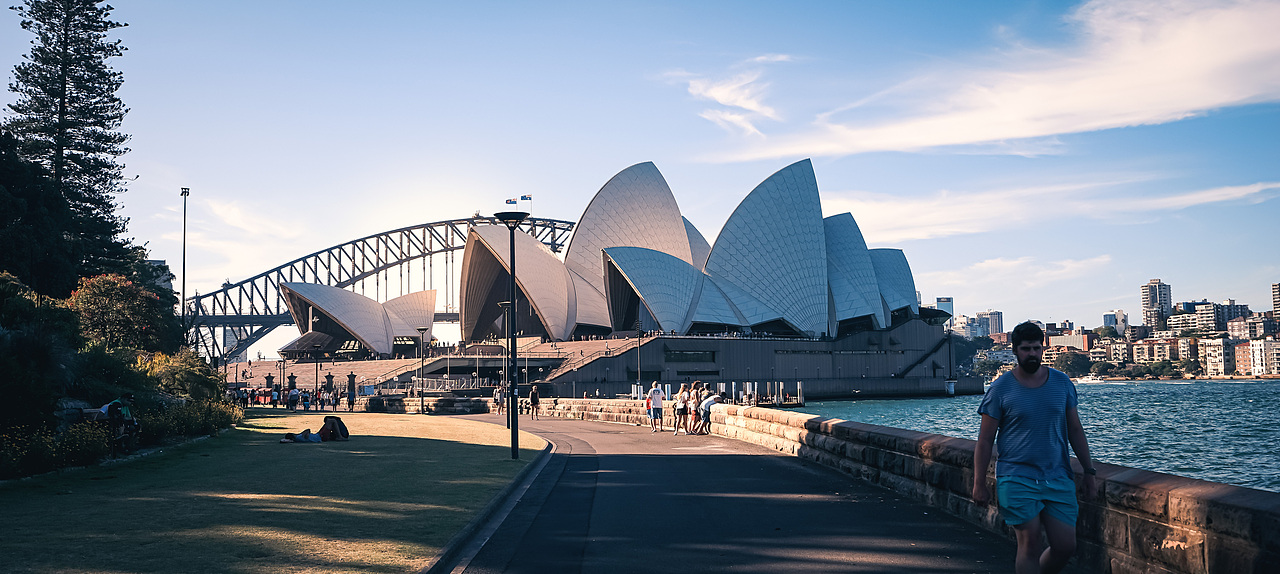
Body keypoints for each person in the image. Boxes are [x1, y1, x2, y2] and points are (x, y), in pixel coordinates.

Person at [973, 321, 1097, 574]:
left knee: (1065, 546)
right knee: (1029, 544)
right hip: (1016, 476)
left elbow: (1075, 429)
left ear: (1043, 350)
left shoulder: (1062, 383)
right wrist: (979, 483)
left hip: (1058, 476)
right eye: (1026, 349)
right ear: (1015, 351)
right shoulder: (1000, 389)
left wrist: (1089, 471)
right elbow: (985, 440)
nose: (1032, 354)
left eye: (1036, 348)